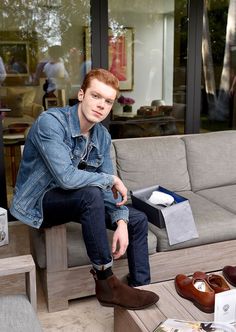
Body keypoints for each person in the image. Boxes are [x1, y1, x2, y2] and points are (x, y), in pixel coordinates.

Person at [10, 68, 159, 310]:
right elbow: (68, 179)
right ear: (81, 95)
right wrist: (110, 180)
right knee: (90, 195)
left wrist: (121, 221)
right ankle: (106, 281)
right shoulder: (51, 123)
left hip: (78, 198)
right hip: (40, 201)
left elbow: (108, 189)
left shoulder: (102, 136)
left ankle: (138, 288)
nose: (101, 105)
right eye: (96, 96)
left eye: (108, 101)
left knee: (137, 219)